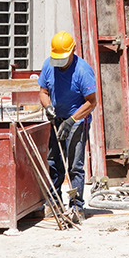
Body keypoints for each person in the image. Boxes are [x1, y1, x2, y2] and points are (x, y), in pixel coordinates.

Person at [39, 31, 98, 212]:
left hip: (77, 121)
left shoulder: (83, 71)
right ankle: (54, 202)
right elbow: (43, 92)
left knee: (74, 165)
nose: (60, 63)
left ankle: (76, 205)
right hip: (57, 118)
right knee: (54, 162)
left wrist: (71, 121)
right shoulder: (49, 65)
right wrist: (48, 107)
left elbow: (91, 102)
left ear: (73, 51)